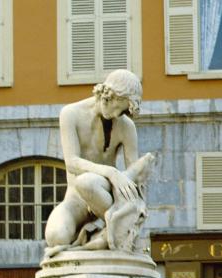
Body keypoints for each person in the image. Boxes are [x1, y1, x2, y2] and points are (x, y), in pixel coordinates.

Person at [44, 69, 152, 258]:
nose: (119, 113)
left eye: (125, 110)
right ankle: (101, 233)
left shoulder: (126, 125)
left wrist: (141, 169)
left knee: (87, 182)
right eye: (119, 105)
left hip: (105, 193)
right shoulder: (70, 114)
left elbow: (133, 180)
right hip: (76, 199)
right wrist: (111, 172)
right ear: (108, 94)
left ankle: (115, 227)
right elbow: (72, 163)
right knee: (55, 236)